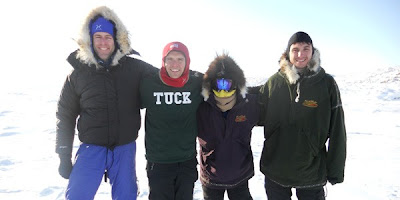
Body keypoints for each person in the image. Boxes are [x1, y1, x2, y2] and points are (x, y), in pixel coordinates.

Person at [55, 6, 156, 199]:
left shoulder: (135, 68)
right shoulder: (77, 74)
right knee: (77, 196)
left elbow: (167, 78)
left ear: (117, 39)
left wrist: (209, 81)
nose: (103, 42)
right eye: (98, 36)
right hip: (91, 149)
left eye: (108, 37)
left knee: (126, 196)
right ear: (89, 39)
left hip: (124, 150)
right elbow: (65, 116)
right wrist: (63, 154)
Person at [257, 31, 347, 200]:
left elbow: (337, 130)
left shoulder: (326, 84)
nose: (300, 54)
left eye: (306, 48)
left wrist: (335, 170)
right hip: (276, 169)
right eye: (295, 49)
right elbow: (254, 111)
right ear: (288, 53)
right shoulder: (274, 82)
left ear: (313, 51)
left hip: (311, 172)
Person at [139, 41, 203, 199]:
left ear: (187, 61)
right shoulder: (148, 83)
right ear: (164, 61)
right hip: (159, 161)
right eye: (170, 59)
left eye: (180, 59)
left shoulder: (197, 82)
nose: (175, 64)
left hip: (187, 160)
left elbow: (225, 87)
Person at [197, 54, 260, 200]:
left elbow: (273, 94)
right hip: (211, 179)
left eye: (227, 84)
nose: (223, 89)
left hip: (240, 176)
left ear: (236, 83)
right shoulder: (201, 106)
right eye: (219, 84)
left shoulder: (249, 105)